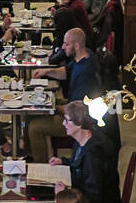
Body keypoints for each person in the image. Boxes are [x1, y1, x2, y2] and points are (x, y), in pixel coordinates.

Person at [28, 27, 103, 161]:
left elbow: (77, 110)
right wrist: (46, 72)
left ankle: (41, 167)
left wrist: (52, 107)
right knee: (30, 113)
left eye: (66, 44)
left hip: (79, 119)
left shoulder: (85, 72)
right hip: (72, 105)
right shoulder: (83, 56)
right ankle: (31, 153)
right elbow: (66, 72)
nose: (63, 47)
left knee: (34, 127)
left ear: (76, 45)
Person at [49, 100, 120, 203]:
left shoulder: (93, 155)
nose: (63, 123)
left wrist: (65, 193)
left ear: (79, 124)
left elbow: (93, 198)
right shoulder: (85, 138)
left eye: (67, 120)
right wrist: (62, 161)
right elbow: (77, 163)